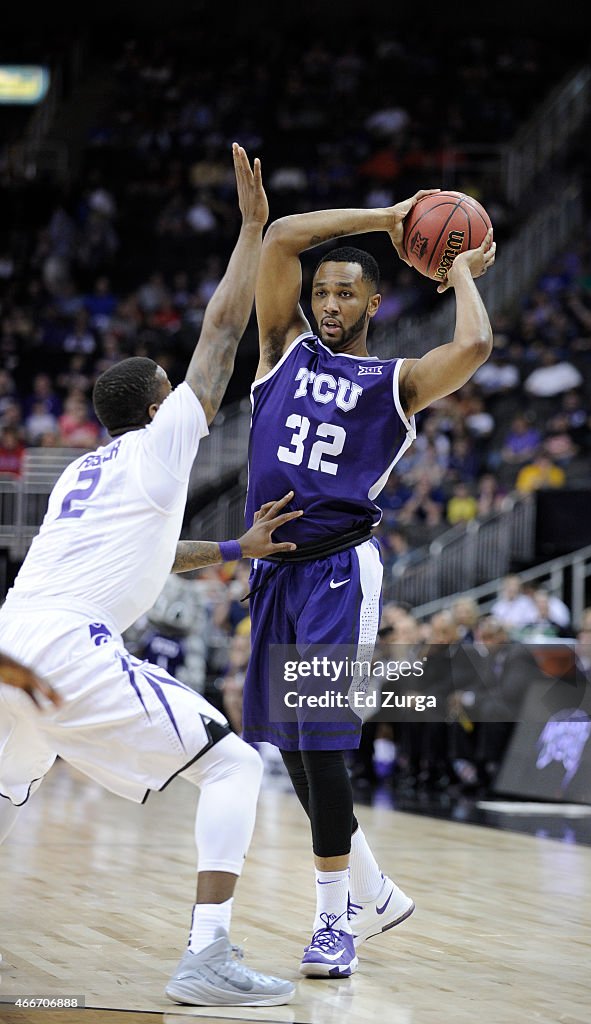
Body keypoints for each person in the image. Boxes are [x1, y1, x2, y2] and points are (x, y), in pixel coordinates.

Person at [0, 145, 298, 1008]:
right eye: (175, 391)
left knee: (8, 789)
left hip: (11, 634)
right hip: (64, 644)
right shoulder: (167, 439)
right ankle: (207, 956)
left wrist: (236, 551)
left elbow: (154, 556)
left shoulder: (85, 473)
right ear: (159, 402)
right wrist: (250, 235)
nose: (186, 396)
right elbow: (220, 334)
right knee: (234, 767)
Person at [240, 188, 495, 977]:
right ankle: (373, 889)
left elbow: (477, 347)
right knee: (289, 744)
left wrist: (462, 278)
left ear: (375, 301)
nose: (328, 301)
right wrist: (386, 221)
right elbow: (280, 237)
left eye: (345, 290)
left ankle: (334, 923)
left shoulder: (395, 380)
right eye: (322, 290)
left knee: (318, 740)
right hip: (271, 573)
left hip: (337, 573)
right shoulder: (281, 350)